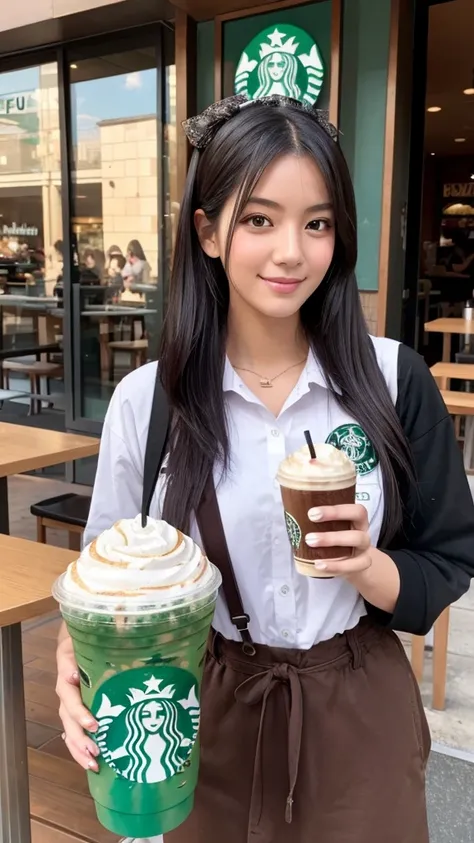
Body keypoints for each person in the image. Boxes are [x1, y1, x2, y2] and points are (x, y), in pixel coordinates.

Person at [56, 95, 474, 843]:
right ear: (208, 231)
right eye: (259, 219)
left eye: (316, 222)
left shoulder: (393, 380)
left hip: (359, 709)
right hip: (203, 710)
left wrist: (366, 564)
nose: (291, 250)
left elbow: (447, 556)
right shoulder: (147, 402)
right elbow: (102, 588)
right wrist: (73, 667)